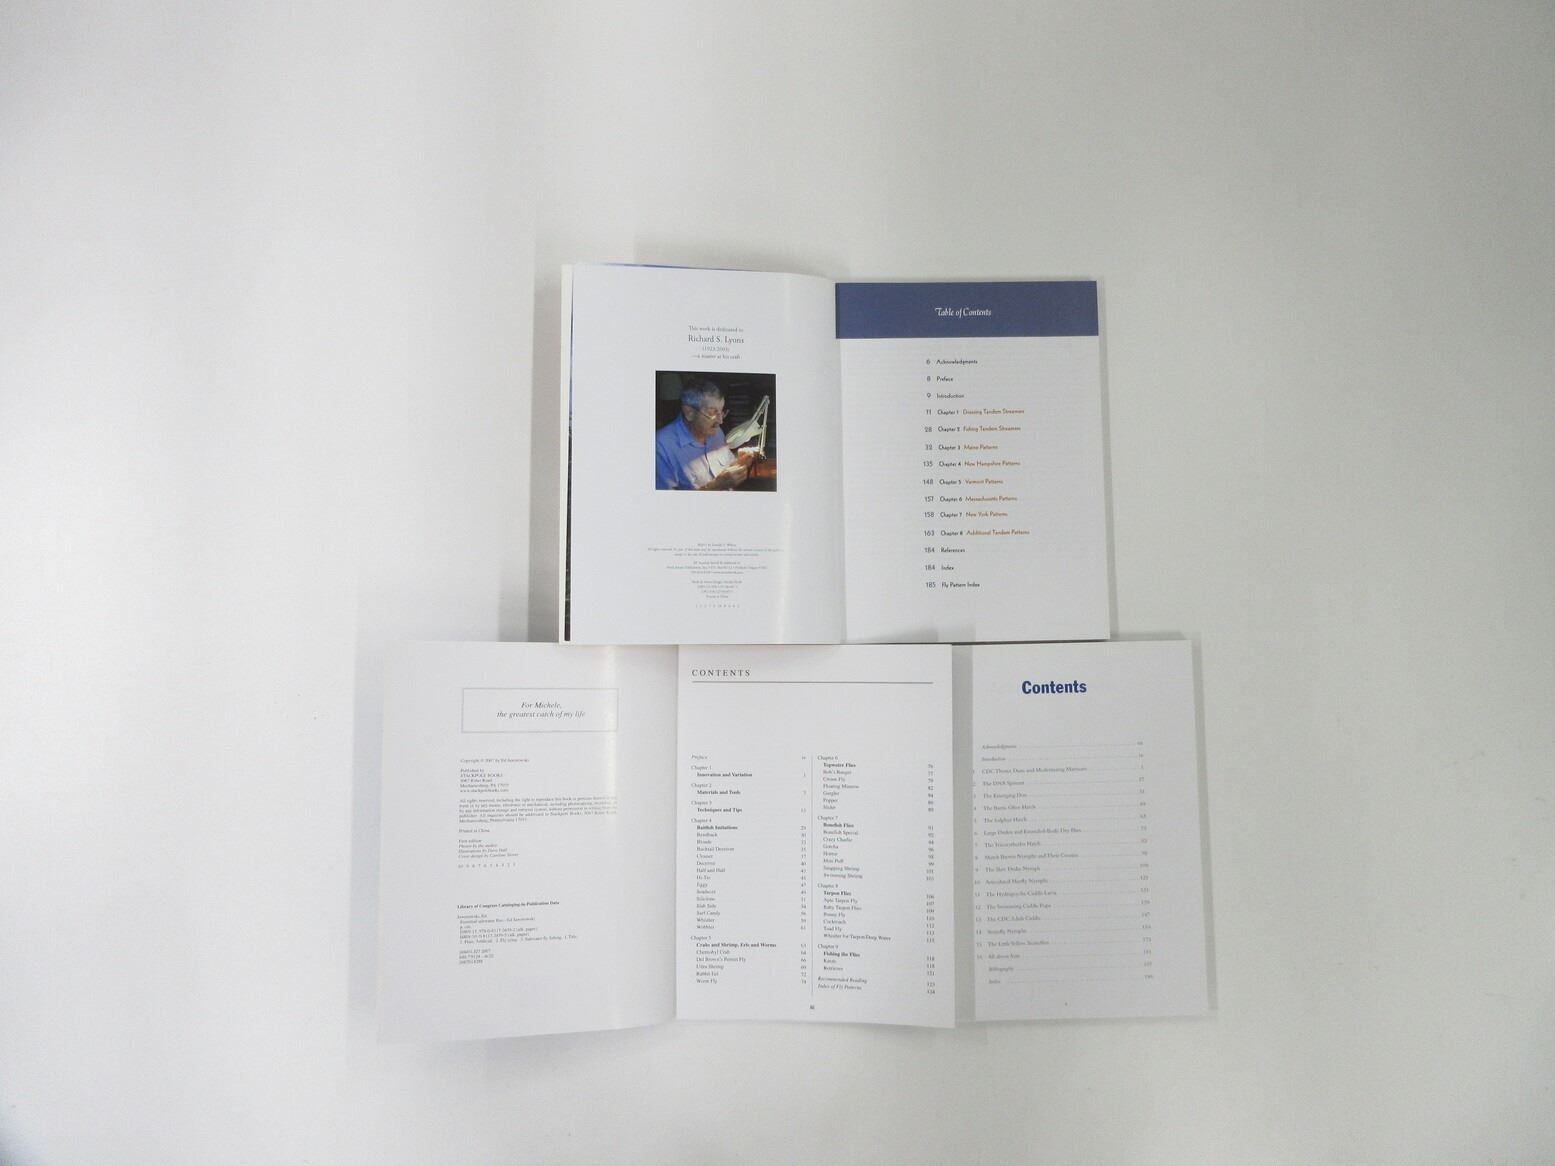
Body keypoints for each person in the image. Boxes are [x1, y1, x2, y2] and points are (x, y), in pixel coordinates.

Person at [654, 380, 754, 490]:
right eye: (712, 412)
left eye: (722, 412)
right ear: (689, 413)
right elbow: (665, 500)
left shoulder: (715, 430)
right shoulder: (661, 447)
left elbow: (726, 471)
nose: (720, 421)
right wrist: (715, 486)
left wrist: (739, 462)